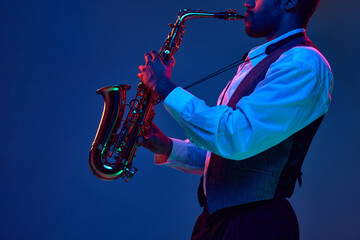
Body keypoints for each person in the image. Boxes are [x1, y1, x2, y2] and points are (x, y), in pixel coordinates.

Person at [137, 0, 333, 239]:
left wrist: (164, 86)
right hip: (219, 224)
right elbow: (230, 157)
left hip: (258, 226)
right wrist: (166, 146)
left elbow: (235, 136)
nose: (247, 2)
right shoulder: (259, 61)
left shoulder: (302, 64)